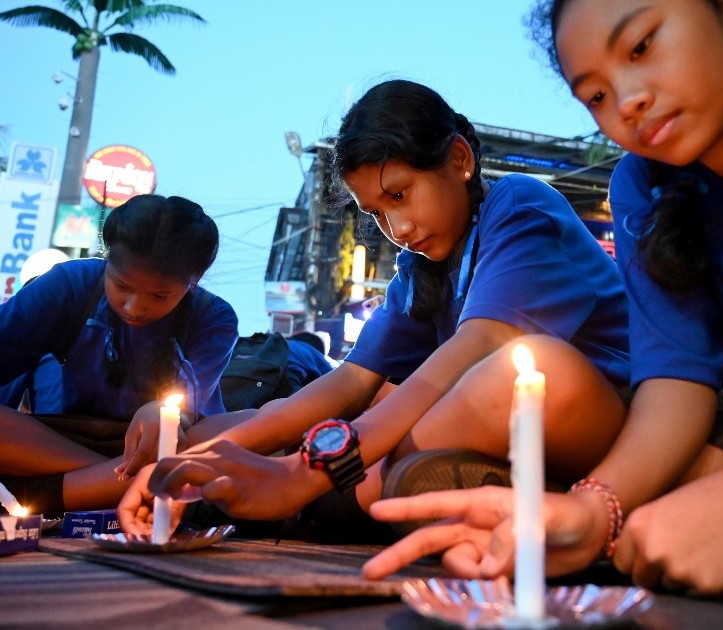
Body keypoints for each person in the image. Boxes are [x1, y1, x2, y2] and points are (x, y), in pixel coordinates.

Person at [360, 0, 723, 596]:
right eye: (596, 96)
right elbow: (677, 386)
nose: (627, 101)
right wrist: (597, 509)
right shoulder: (645, 188)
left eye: (643, 46)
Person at [118, 79, 631, 535]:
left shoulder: (518, 206)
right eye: (378, 213)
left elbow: (479, 348)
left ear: (459, 159)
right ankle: (331, 493)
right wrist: (199, 455)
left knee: (509, 375)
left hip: (608, 420)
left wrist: (298, 472)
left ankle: (314, 502)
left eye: (401, 195)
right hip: (506, 431)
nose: (398, 229)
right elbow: (345, 383)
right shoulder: (420, 269)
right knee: (230, 431)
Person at [0, 194, 238, 515]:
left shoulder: (214, 318)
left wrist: (167, 414)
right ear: (107, 259)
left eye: (159, 295)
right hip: (65, 445)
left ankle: (96, 488)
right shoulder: (71, 284)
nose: (134, 307)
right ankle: (135, 485)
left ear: (193, 283)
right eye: (121, 285)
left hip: (169, 449)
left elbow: (186, 412)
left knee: (241, 430)